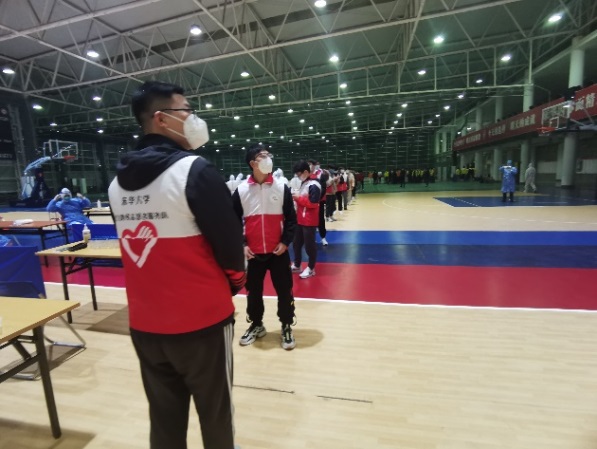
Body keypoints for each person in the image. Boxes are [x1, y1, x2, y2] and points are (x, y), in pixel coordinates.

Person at [107, 80, 246, 449]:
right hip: (201, 323)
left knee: (164, 420)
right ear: (161, 118)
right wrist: (233, 284)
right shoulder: (194, 170)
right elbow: (231, 244)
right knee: (216, 415)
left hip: (145, 323)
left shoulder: (116, 184)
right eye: (186, 110)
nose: (192, 118)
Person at [232, 145, 297, 350]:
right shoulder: (241, 190)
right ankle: (256, 324)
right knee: (253, 293)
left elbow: (291, 219)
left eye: (269, 155)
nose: (268, 158)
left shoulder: (281, 187)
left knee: (284, 291)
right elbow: (232, 221)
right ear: (253, 163)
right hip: (253, 254)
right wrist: (242, 245)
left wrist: (285, 242)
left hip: (278, 252)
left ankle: (286, 325)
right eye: (263, 156)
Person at [290, 160, 321, 279]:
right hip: (300, 219)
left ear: (306, 172)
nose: (298, 177)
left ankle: (311, 268)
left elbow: (313, 203)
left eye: (299, 174)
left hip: (309, 220)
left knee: (309, 246)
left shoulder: (314, 185)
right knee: (296, 243)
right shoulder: (305, 183)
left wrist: (298, 198)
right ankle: (297, 264)